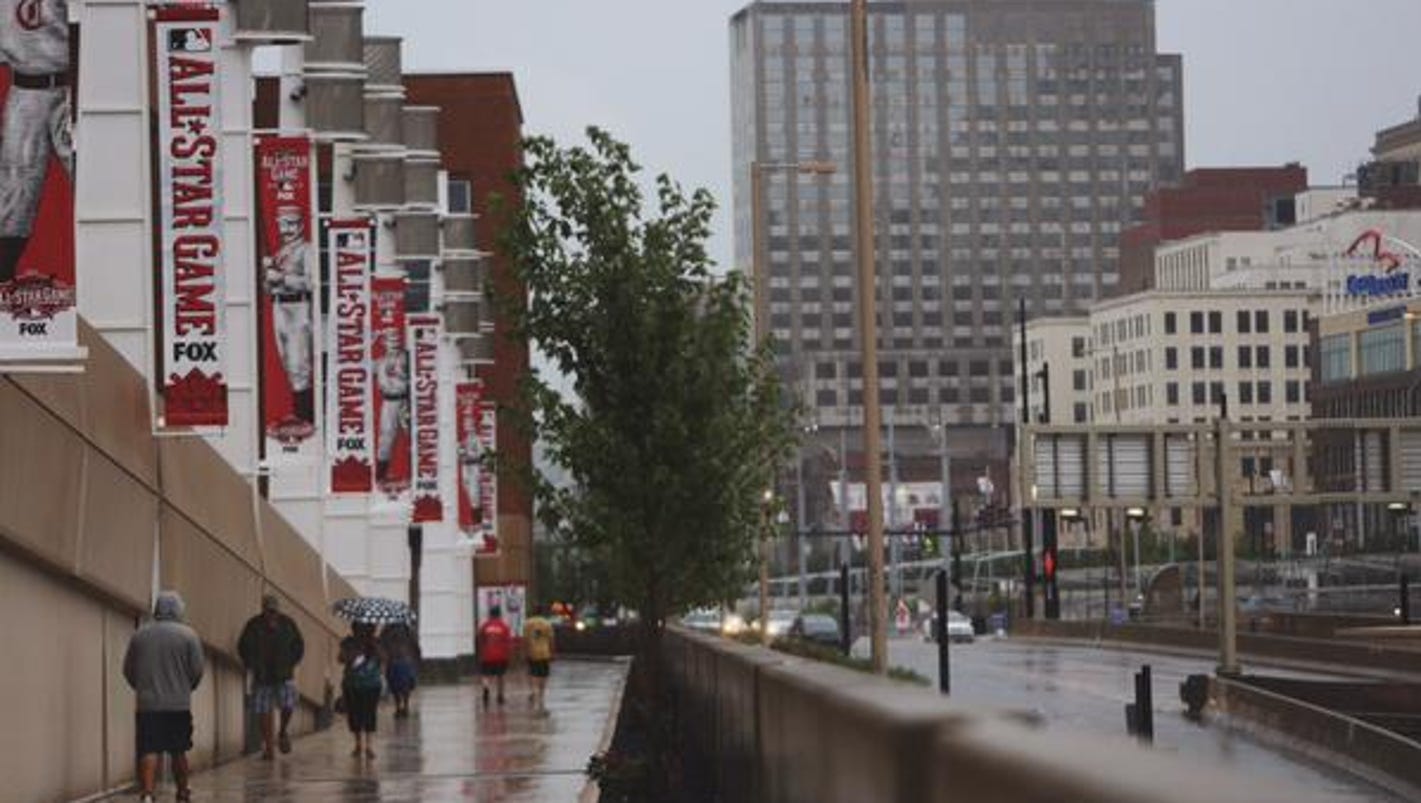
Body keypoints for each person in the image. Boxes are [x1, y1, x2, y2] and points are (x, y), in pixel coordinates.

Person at [0, 0, 74, 285]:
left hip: (72, 87)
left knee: (92, 180)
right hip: (25, 92)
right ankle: (4, 281)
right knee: (14, 192)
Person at [123, 591, 204, 803]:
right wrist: (187, 688)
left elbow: (128, 670)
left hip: (148, 705)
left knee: (149, 749)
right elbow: (197, 670)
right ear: (179, 610)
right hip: (178, 704)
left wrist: (142, 688)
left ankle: (147, 795)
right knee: (179, 750)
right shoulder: (188, 635)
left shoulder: (140, 635)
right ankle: (183, 790)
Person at [263, 206, 315, 426]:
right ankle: (299, 412)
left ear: (301, 225)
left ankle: (306, 416)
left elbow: (311, 283)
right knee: (286, 362)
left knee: (298, 363)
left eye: (292, 223)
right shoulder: (280, 252)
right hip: (279, 307)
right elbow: (268, 287)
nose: (287, 229)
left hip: (298, 307)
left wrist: (282, 278)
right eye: (283, 224)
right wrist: (267, 276)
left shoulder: (306, 250)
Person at [237, 594, 305, 760]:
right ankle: (268, 747)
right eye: (268, 611)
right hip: (262, 675)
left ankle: (282, 731)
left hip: (284, 673)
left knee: (288, 705)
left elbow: (299, 645)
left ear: (278, 610)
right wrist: (251, 664)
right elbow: (242, 646)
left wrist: (290, 662)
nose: (271, 614)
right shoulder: (253, 625)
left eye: (274, 611)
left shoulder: (288, 623)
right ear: (263, 609)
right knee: (263, 711)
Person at [339, 621, 384, 759]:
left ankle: (364, 746)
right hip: (360, 684)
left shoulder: (374, 643)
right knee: (360, 714)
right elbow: (341, 658)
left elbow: (383, 658)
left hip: (365, 684)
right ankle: (362, 745)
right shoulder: (350, 643)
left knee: (364, 714)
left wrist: (373, 649)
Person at [375, 330, 410, 489]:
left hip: (404, 400)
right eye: (389, 339)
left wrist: (402, 372)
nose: (393, 342)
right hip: (388, 401)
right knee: (386, 437)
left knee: (411, 435)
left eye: (396, 339)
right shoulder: (381, 361)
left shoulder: (406, 358)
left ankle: (413, 474)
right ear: (384, 342)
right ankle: (380, 476)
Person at [379, 622, 421, 719]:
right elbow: (382, 644)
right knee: (395, 686)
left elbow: (415, 645)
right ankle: (399, 706)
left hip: (403, 660)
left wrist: (416, 659)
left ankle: (404, 706)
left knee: (403, 685)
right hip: (395, 660)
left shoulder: (407, 630)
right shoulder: (387, 630)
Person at [476, 606, 513, 709]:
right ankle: (500, 695)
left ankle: (486, 688)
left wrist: (481, 653)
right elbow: (508, 642)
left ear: (490, 614)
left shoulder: (485, 626)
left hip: (487, 655)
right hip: (501, 655)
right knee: (500, 676)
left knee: (485, 674)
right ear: (499, 614)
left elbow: (480, 639)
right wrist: (508, 655)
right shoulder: (504, 626)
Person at [522, 605, 555, 715]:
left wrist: (525, 652)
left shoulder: (527, 624)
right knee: (543, 677)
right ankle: (541, 699)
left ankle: (535, 698)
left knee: (534, 677)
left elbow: (525, 640)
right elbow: (551, 640)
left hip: (532, 653)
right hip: (545, 653)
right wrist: (552, 653)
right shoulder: (547, 624)